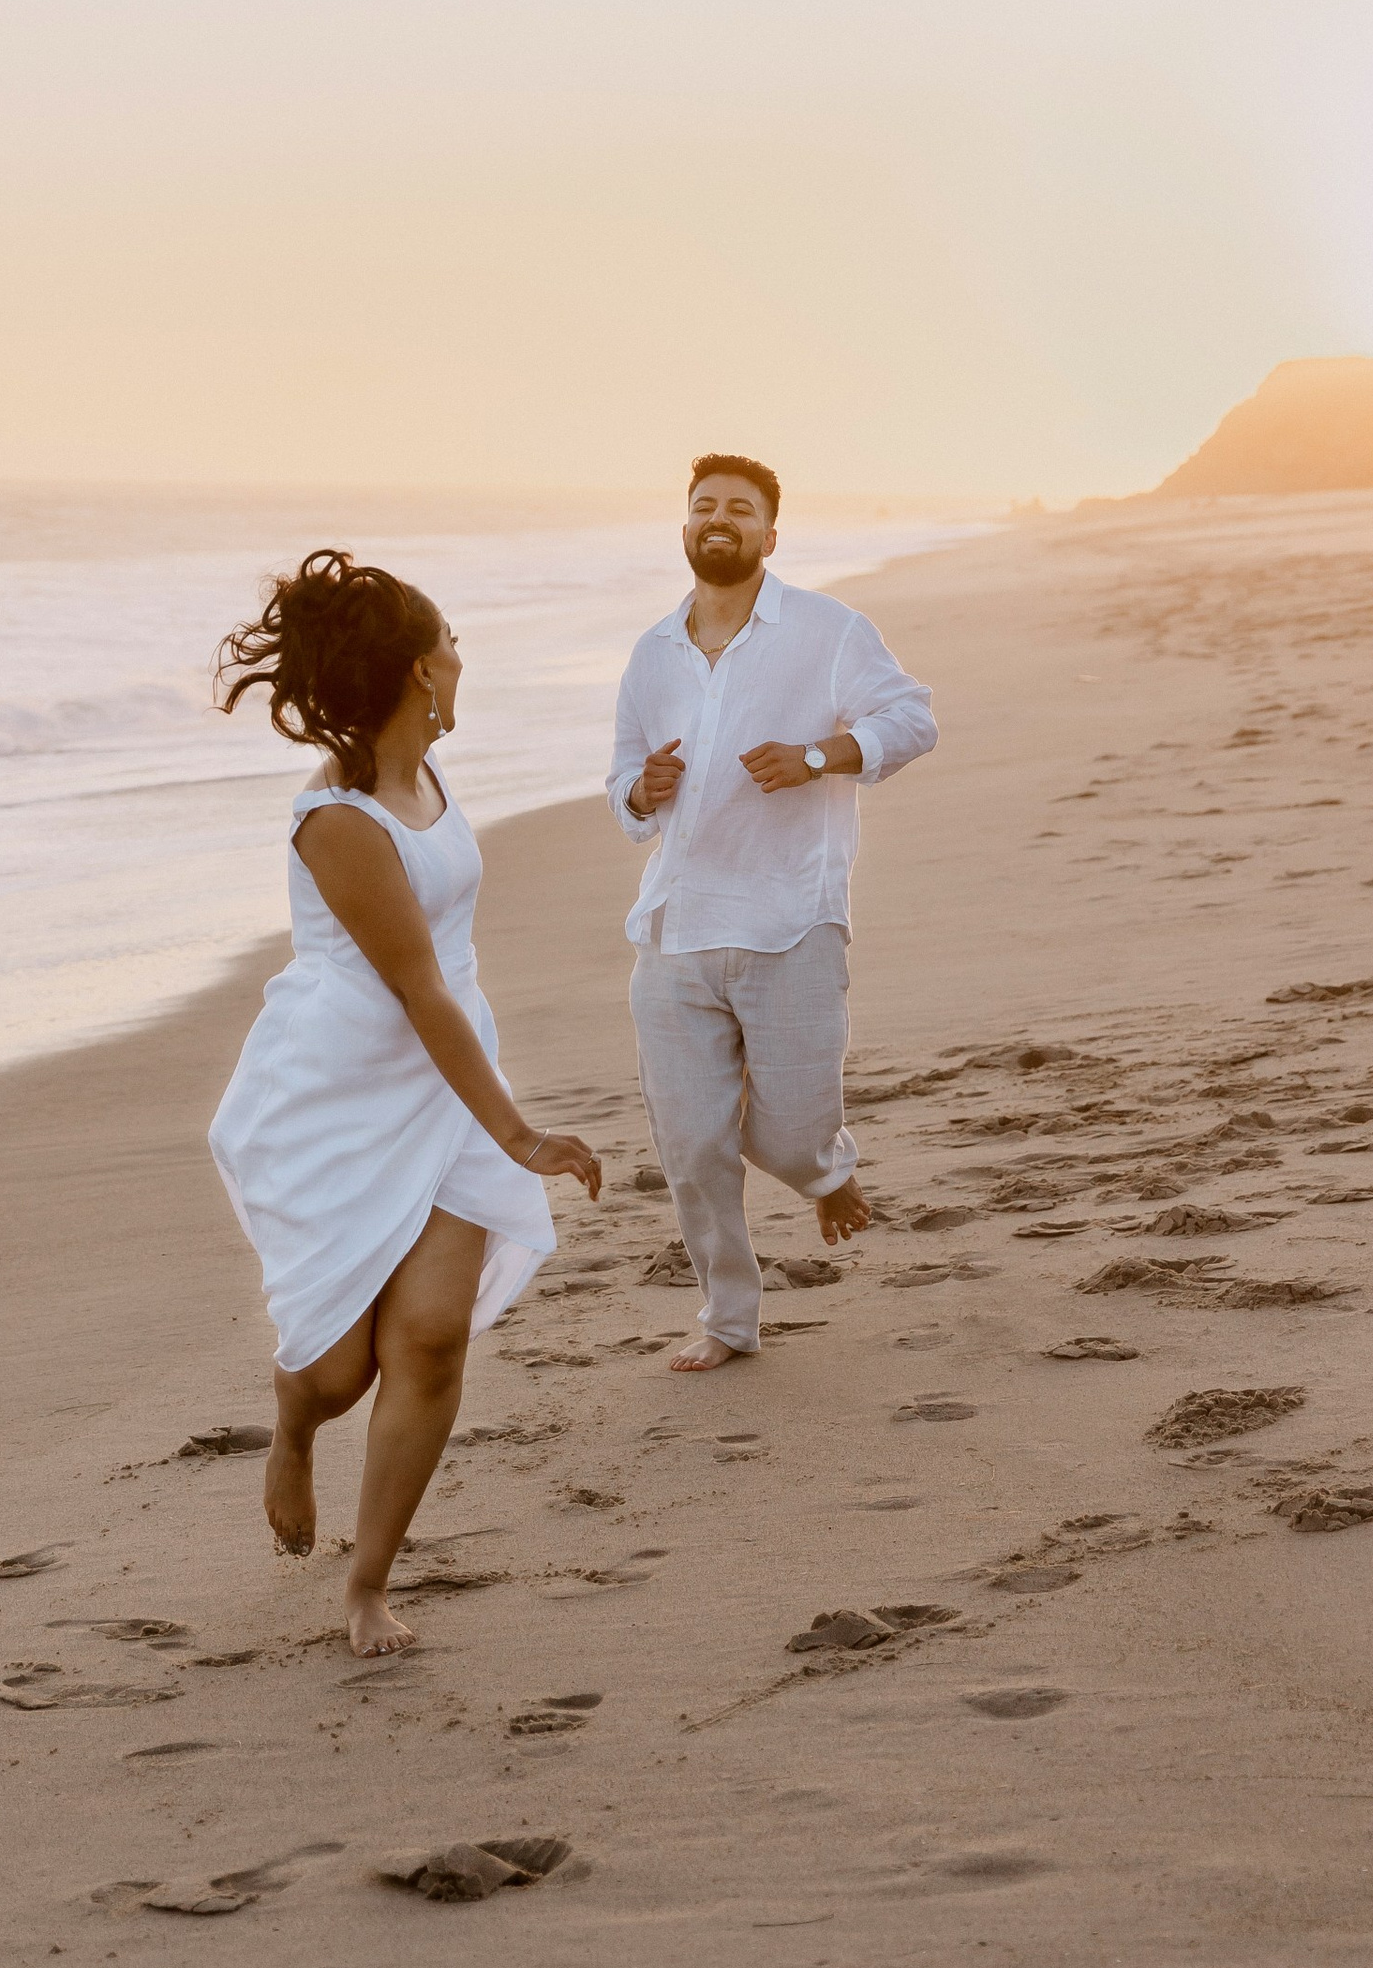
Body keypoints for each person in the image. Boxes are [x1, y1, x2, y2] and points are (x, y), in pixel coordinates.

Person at [208, 550, 601, 1654]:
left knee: (427, 1340)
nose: (466, 660)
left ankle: (367, 1588)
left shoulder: (426, 776)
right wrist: (519, 1132)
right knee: (338, 1371)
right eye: (455, 645)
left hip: (446, 1074)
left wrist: (491, 1120)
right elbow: (416, 987)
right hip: (341, 1092)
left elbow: (446, 986)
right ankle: (291, 1429)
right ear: (422, 669)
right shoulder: (337, 818)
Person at [609, 455, 936, 1373]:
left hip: (791, 918)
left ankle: (824, 1170)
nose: (719, 518)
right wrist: (640, 790)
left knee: (791, 1132)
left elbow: (912, 721)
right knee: (691, 1146)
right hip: (675, 928)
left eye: (739, 509)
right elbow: (620, 787)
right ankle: (727, 1318)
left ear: (769, 535)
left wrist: (821, 756)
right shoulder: (650, 652)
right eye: (703, 506)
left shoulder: (829, 630)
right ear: (684, 529)